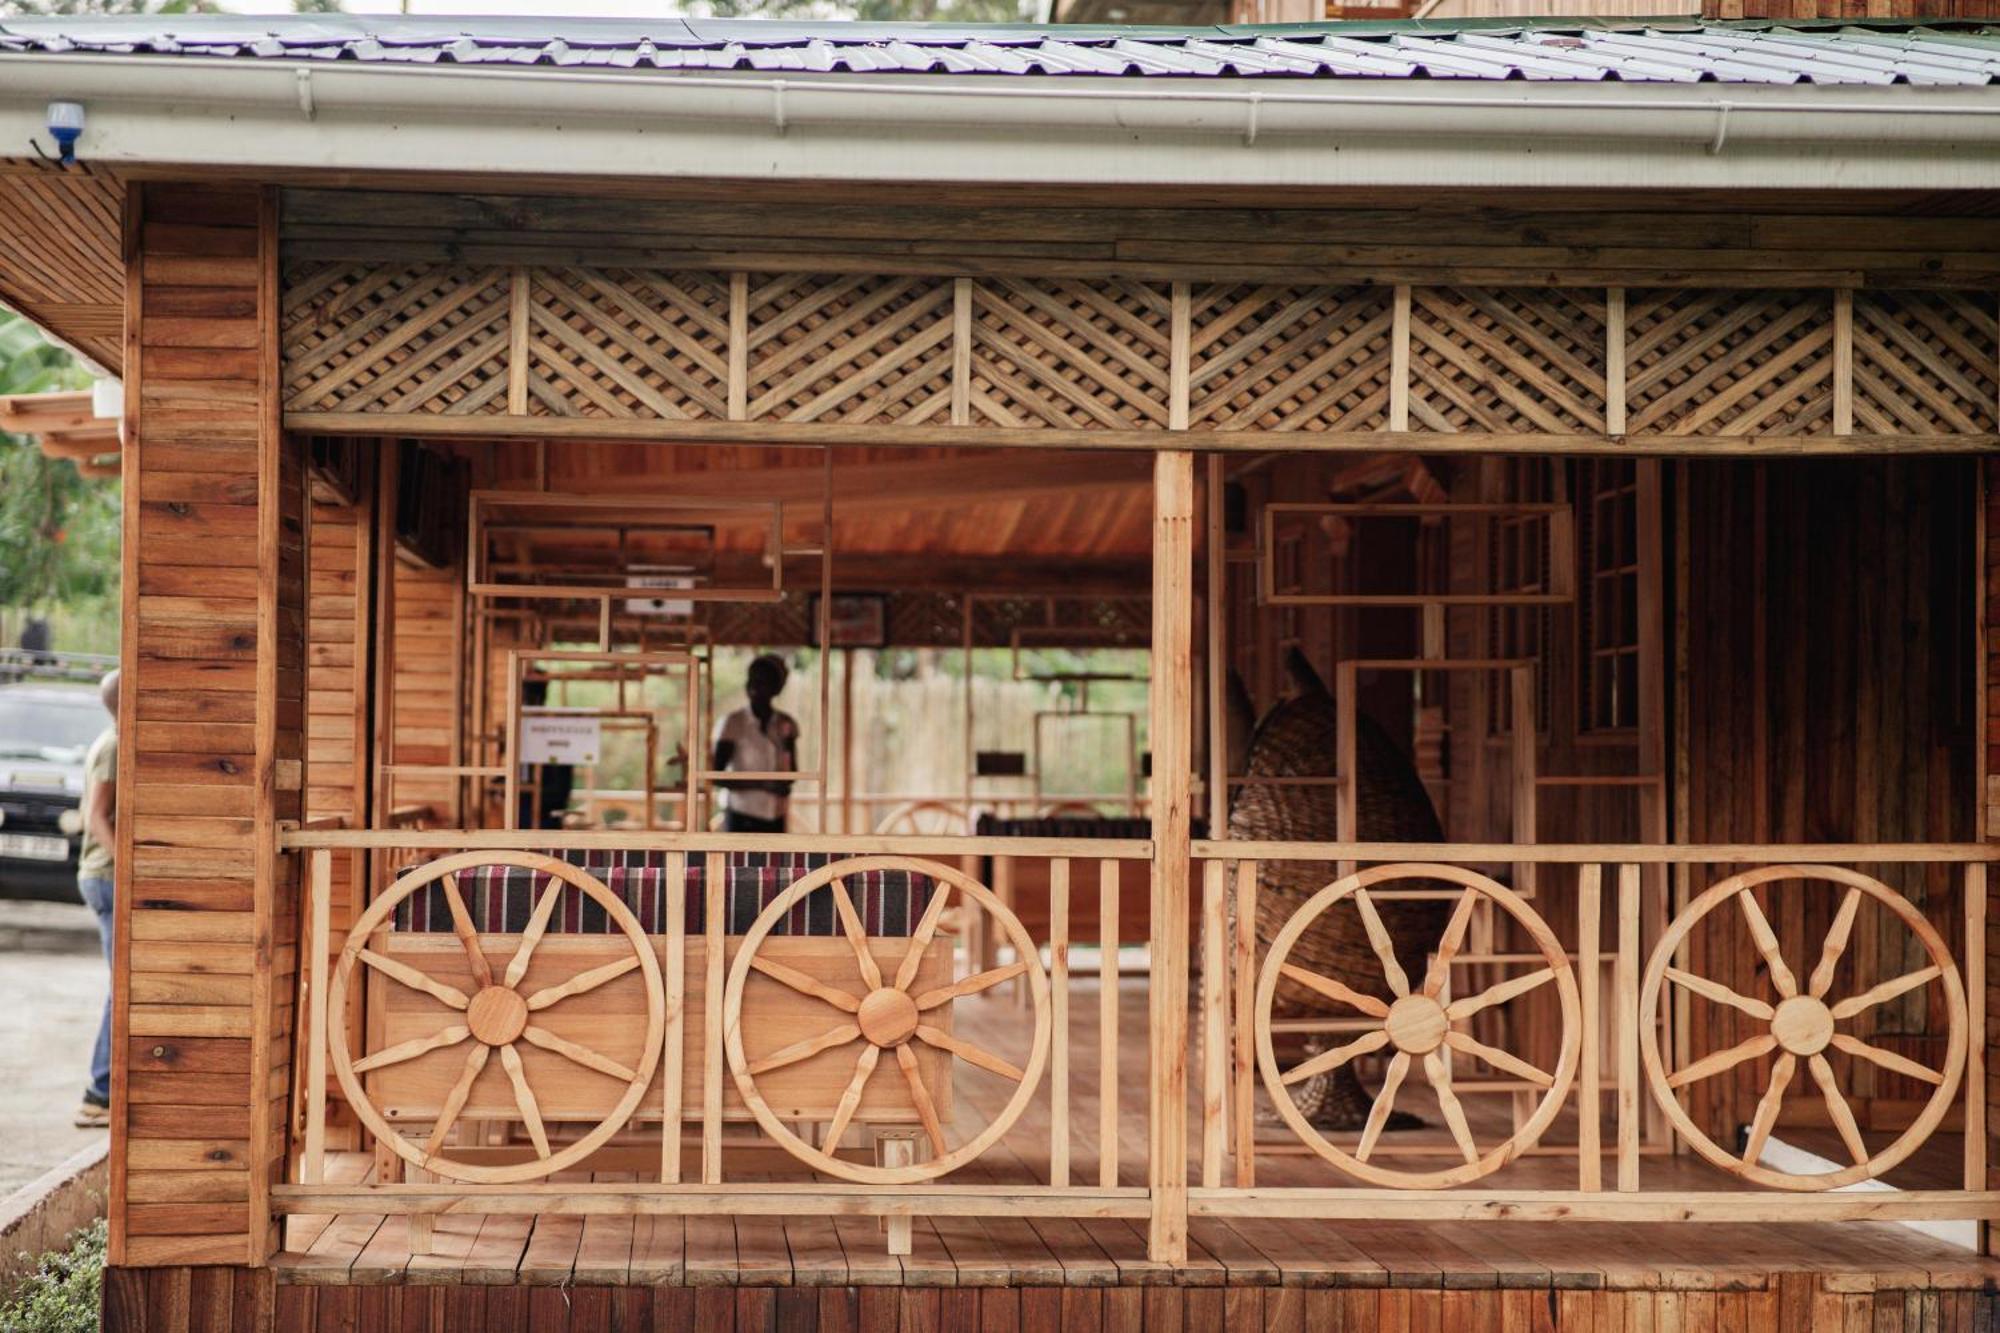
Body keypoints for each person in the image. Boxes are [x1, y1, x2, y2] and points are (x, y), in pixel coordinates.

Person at [74, 669, 117, 1129]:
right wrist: (129, 867)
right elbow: (97, 817)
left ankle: (102, 1090)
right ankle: (98, 1092)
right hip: (107, 878)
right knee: (120, 984)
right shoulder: (116, 745)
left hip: (102, 876)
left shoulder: (112, 739)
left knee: (119, 982)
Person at [710, 653, 799, 834]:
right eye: (751, 679)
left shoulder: (785, 723)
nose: (754, 686)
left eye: (762, 681)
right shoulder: (733, 723)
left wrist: (783, 784)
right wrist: (763, 785)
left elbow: (792, 771)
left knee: (775, 862)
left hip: (776, 815)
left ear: (776, 688)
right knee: (738, 863)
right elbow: (715, 775)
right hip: (741, 815)